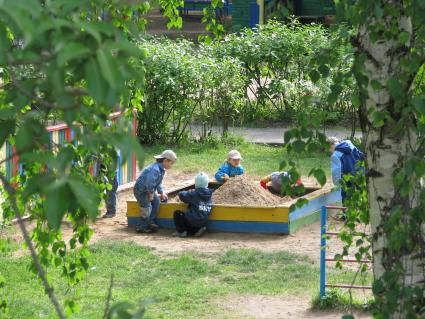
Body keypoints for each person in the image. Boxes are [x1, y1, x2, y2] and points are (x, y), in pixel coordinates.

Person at [133, 150, 177, 233]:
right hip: (141, 191)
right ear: (165, 161)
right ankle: (141, 226)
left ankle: (150, 221)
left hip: (148, 190)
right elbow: (149, 183)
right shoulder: (154, 170)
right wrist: (150, 194)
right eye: (171, 163)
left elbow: (159, 182)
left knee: (156, 201)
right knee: (147, 207)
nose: (172, 166)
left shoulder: (161, 170)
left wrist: (161, 192)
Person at [172, 172, 213, 238]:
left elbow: (182, 195)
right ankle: (197, 230)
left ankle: (181, 232)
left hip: (192, 220)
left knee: (177, 213)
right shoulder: (209, 195)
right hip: (203, 221)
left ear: (196, 183)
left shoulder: (193, 194)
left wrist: (189, 191)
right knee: (194, 221)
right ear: (207, 183)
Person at [328, 137, 365, 202]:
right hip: (361, 175)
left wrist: (337, 184)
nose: (330, 151)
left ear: (331, 146)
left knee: (347, 201)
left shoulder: (335, 155)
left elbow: (336, 172)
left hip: (347, 180)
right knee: (363, 196)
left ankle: (346, 211)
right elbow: (361, 156)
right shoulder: (349, 144)